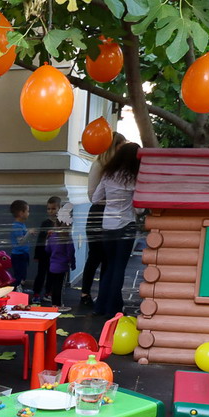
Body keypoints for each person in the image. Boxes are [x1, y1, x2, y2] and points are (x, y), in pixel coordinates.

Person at [89, 142, 140, 318]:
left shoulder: (108, 175)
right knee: (119, 268)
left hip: (107, 226)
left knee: (109, 266)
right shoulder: (134, 178)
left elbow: (95, 199)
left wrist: (111, 202)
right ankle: (113, 309)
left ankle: (101, 306)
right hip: (126, 225)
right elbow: (140, 209)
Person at [78, 132, 126, 308]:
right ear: (114, 146)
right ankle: (85, 292)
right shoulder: (99, 165)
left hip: (112, 214)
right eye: (121, 146)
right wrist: (114, 199)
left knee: (108, 257)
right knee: (95, 255)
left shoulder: (116, 167)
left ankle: (104, 294)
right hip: (99, 215)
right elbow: (93, 196)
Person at [42, 200, 75, 306]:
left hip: (52, 265)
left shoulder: (52, 237)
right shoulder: (67, 239)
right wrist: (72, 263)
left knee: (54, 285)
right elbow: (71, 252)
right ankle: (59, 305)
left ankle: (54, 304)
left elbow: (47, 250)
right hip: (62, 266)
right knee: (60, 286)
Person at [7, 199, 32, 292]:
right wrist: (29, 233)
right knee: (19, 275)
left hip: (22, 254)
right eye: (27, 211)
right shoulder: (17, 226)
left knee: (23, 274)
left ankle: (20, 289)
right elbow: (20, 242)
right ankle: (17, 290)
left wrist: (28, 233)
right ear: (21, 213)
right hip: (18, 255)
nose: (28, 213)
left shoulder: (21, 225)